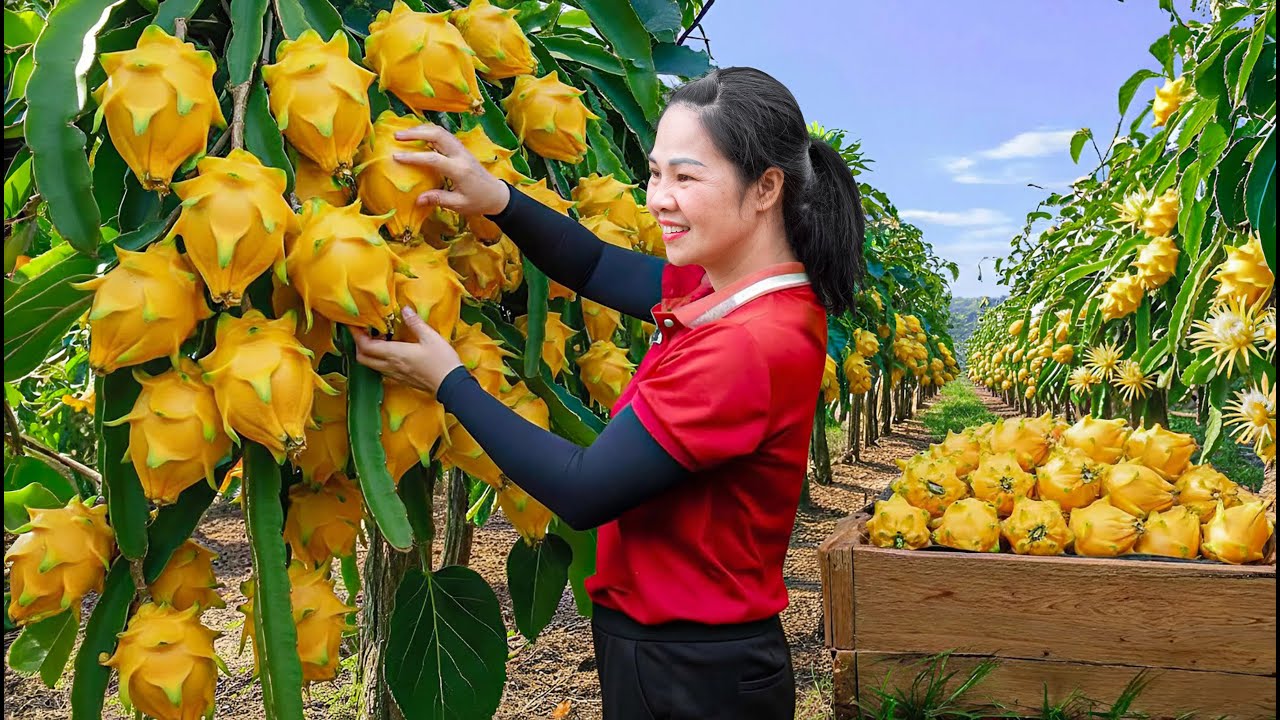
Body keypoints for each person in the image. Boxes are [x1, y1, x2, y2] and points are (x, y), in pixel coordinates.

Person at [352, 66, 866, 720]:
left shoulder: (750, 344)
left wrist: (449, 382)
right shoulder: (719, 288)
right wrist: (496, 198)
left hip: (696, 675)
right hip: (672, 653)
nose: (658, 199)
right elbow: (592, 265)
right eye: (654, 174)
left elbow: (583, 488)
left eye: (686, 177)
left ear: (766, 187)